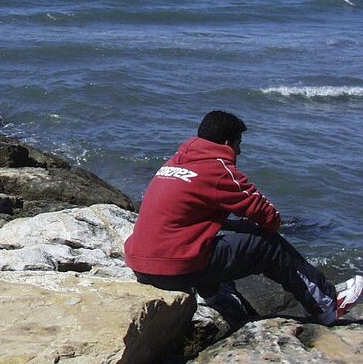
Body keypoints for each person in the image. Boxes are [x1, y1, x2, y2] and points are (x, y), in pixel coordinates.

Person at [124, 110, 361, 325]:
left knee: (214, 233)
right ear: (228, 142)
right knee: (267, 245)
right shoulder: (218, 169)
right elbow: (270, 218)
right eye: (239, 143)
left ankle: (213, 295)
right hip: (175, 271)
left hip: (141, 264)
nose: (240, 151)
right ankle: (328, 304)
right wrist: (251, 226)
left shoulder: (175, 161)